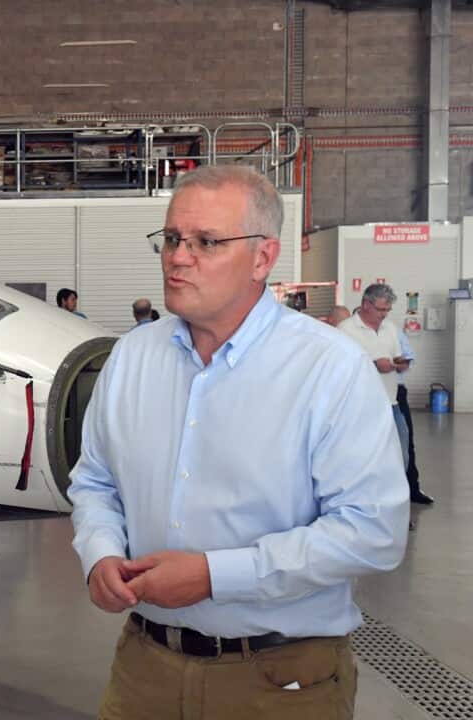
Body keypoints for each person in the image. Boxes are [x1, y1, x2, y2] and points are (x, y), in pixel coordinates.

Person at [69, 165, 408, 719]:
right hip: (144, 669)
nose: (179, 257)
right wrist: (100, 552)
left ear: (262, 258)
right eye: (173, 239)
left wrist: (213, 576)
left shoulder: (329, 368)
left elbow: (373, 530)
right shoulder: (131, 357)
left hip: (278, 679)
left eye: (206, 242)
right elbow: (95, 481)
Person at [335, 285, 414, 486]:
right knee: (361, 460)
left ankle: (395, 508)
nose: (384, 314)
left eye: (388, 310)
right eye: (381, 310)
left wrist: (400, 363)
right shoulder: (345, 330)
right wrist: (373, 365)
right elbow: (339, 367)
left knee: (401, 457)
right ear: (366, 304)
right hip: (359, 407)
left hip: (391, 403)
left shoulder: (390, 328)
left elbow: (395, 355)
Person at [394, 327, 430, 503]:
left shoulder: (392, 331)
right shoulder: (351, 331)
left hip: (397, 393)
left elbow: (408, 357)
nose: (383, 315)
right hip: (367, 392)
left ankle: (412, 490)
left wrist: (397, 363)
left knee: (406, 441)